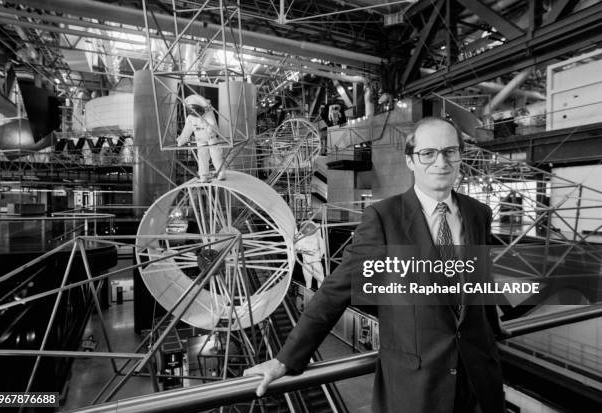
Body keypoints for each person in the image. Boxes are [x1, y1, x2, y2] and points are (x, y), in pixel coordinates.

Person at [244, 117, 507, 413]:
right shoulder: (384, 218)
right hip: (416, 385)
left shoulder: (478, 213)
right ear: (410, 161)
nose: (440, 162)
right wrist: (284, 360)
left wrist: (495, 330)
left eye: (450, 151)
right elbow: (336, 290)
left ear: (460, 155)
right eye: (428, 153)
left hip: (479, 380)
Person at [177, 94, 225, 182]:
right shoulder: (190, 119)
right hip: (200, 140)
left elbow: (213, 125)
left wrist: (211, 129)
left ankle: (221, 172)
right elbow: (186, 131)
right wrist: (181, 141)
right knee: (202, 157)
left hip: (211, 139)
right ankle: (203, 175)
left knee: (216, 155)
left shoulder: (208, 115)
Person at [294, 221, 325, 289]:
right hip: (306, 261)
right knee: (307, 276)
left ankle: (321, 288)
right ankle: (308, 287)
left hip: (315, 260)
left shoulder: (317, 236)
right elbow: (296, 247)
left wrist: (321, 254)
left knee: (319, 274)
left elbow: (322, 247)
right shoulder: (301, 238)